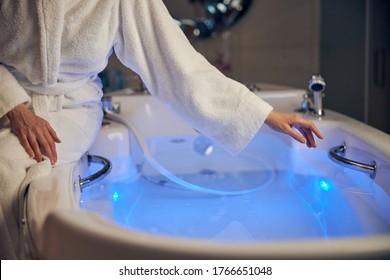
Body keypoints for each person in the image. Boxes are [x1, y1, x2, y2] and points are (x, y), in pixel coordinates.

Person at [0, 0, 323, 259]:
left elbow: (179, 67)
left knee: (12, 163)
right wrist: (14, 107)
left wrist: (263, 114)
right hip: (9, 101)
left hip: (70, 108)